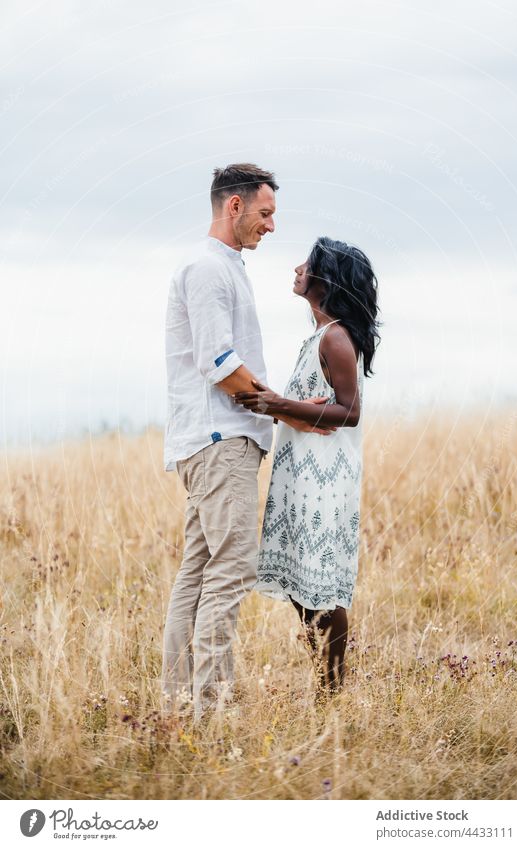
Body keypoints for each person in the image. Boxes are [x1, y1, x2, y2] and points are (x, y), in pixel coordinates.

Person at [162, 164, 332, 721]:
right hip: (220, 441)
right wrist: (288, 410)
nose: (271, 226)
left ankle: (180, 702)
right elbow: (219, 364)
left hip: (210, 440)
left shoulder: (219, 267)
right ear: (233, 208)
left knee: (198, 570)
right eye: (265, 213)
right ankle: (210, 712)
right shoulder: (209, 269)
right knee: (231, 571)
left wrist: (283, 411)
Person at [235, 237, 380, 695]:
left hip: (324, 478)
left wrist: (279, 402)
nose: (298, 267)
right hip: (300, 475)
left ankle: (331, 692)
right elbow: (308, 406)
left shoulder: (336, 336)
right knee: (302, 587)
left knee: (320, 588)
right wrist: (277, 406)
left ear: (326, 279)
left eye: (309, 263)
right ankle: (326, 683)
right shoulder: (319, 336)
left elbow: (349, 411)